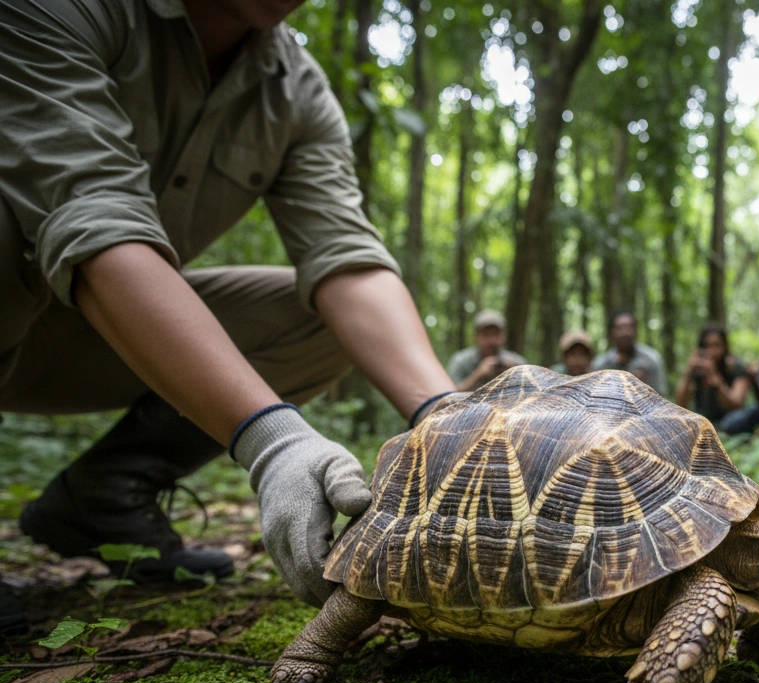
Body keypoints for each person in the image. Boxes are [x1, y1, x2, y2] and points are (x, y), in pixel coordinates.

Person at [0, 0, 458, 634]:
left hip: (79, 338)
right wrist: (274, 442)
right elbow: (89, 215)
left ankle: (102, 498)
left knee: (322, 323)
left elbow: (346, 258)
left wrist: (455, 421)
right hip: (27, 283)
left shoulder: (296, 89)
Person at [675, 323, 750, 425]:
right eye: (707, 346)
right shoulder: (698, 371)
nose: (711, 351)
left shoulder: (736, 367)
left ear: (725, 346)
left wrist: (715, 376)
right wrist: (689, 371)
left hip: (730, 423)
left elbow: (735, 405)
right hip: (702, 422)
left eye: (716, 345)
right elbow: (680, 403)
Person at [446, 311, 528, 392]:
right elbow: (449, 395)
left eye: (496, 334)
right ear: (476, 336)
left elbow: (533, 393)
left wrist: (515, 374)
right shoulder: (460, 361)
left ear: (504, 336)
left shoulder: (518, 363)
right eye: (486, 334)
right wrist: (478, 375)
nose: (491, 340)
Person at [590, 311, 668, 395]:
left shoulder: (651, 360)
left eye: (628, 328)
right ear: (612, 333)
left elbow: (660, 395)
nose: (624, 332)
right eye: (619, 328)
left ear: (636, 331)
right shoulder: (601, 364)